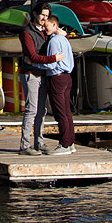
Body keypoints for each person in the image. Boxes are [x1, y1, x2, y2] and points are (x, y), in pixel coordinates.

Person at [18, 0, 63, 155]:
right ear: (35, 14)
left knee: (41, 110)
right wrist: (53, 59)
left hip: (43, 75)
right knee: (31, 110)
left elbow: (60, 43)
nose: (45, 19)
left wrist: (62, 34)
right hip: (30, 74)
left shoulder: (46, 31)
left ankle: (39, 142)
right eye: (43, 15)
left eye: (47, 16)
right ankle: (24, 146)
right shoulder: (26, 32)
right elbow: (32, 56)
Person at [42, 13, 75, 154]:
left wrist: (37, 65)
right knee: (67, 112)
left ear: (54, 25)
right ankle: (71, 142)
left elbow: (52, 63)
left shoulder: (54, 41)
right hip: (67, 77)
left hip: (56, 77)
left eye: (46, 26)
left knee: (60, 112)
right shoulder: (64, 39)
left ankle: (65, 144)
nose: (44, 29)